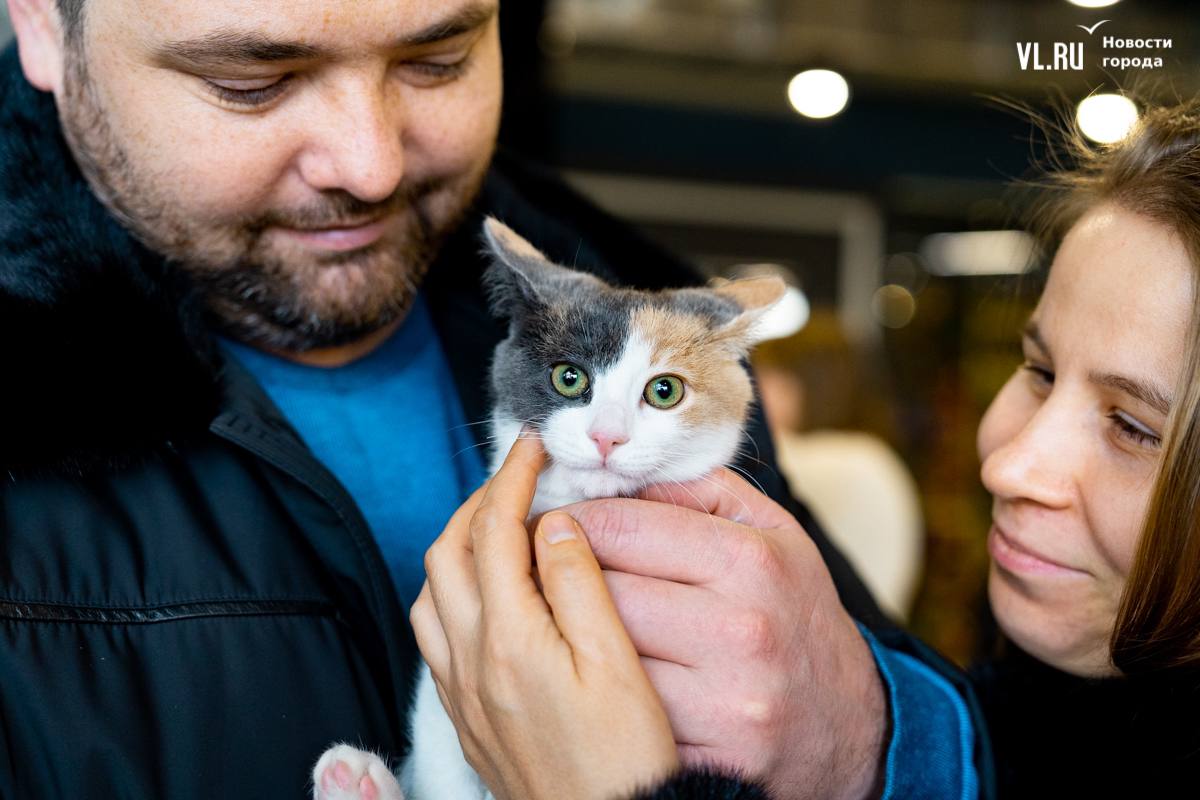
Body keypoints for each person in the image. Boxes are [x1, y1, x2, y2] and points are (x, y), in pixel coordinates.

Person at [0, 1, 981, 798]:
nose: (371, 163)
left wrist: (872, 735)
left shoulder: (648, 320)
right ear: (43, 24)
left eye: (437, 57)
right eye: (251, 82)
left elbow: (920, 719)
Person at [413, 102, 1200, 798]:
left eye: (1134, 425)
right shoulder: (1031, 704)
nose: (1005, 463)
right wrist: (875, 730)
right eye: (1037, 369)